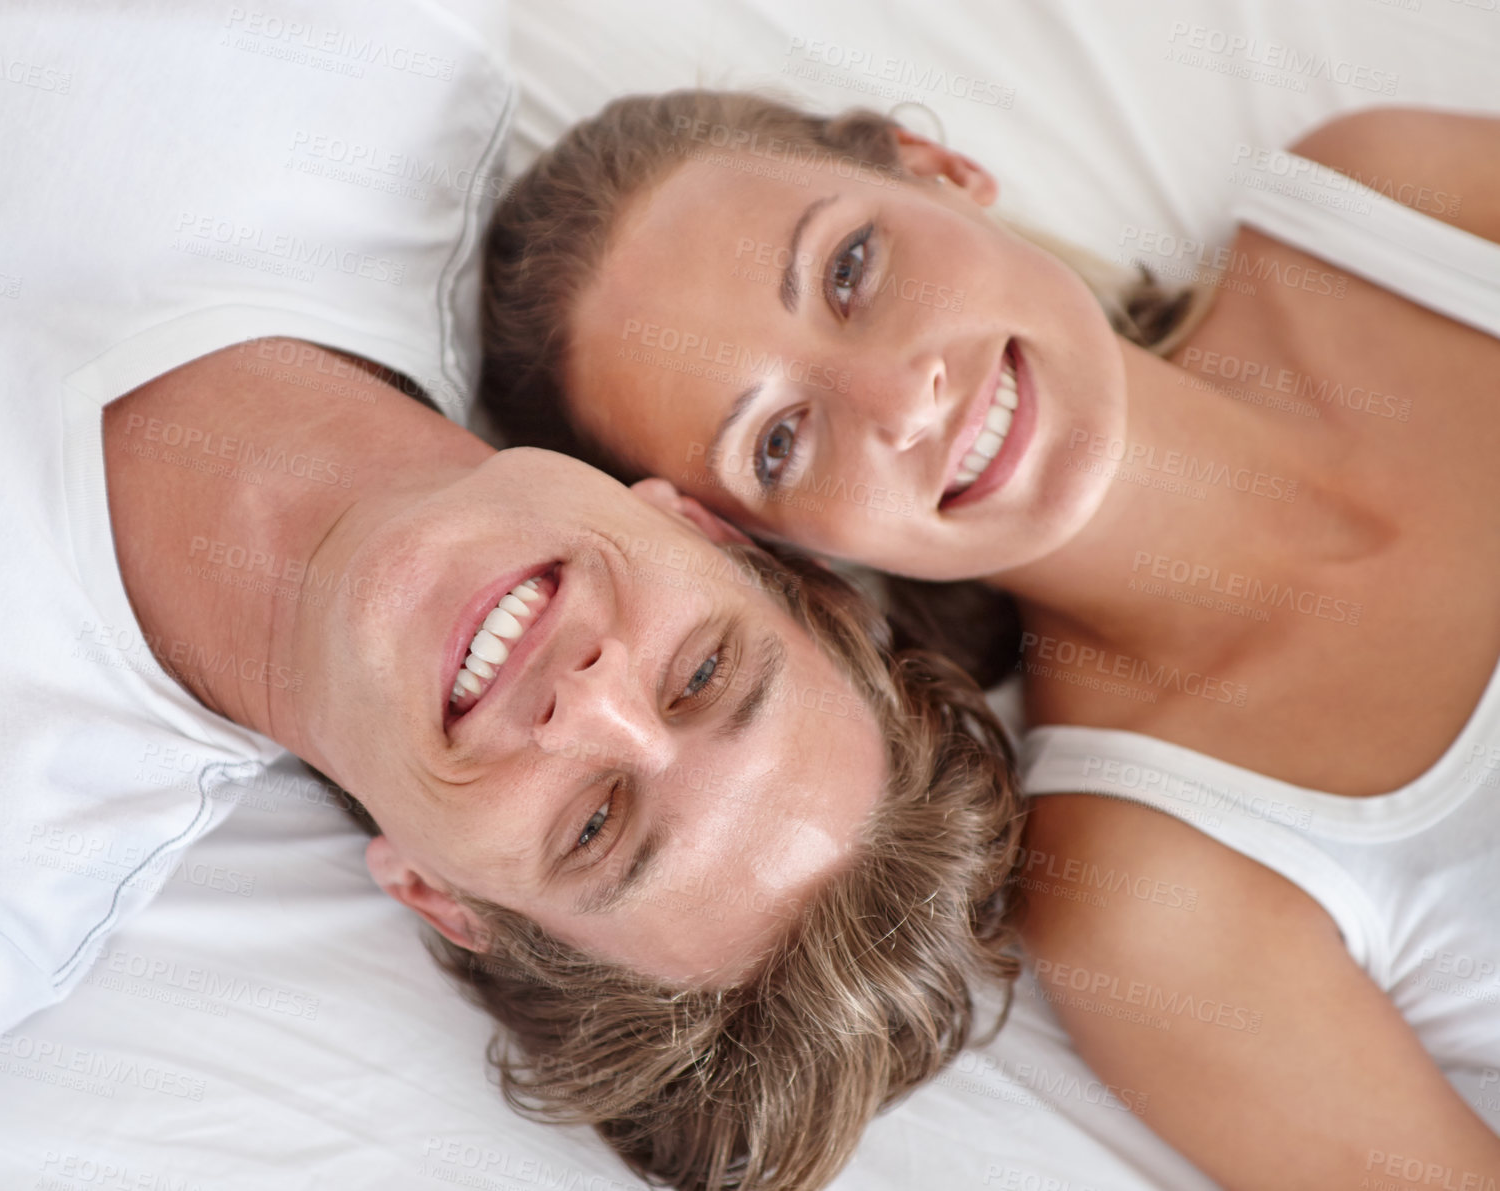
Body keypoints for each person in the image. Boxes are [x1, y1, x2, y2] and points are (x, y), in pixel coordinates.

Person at [0, 12, 1022, 1191]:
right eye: (703, 674)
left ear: (441, 898)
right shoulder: (367, 61)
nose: (593, 705)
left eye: (595, 825)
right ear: (693, 522)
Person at [478, 90, 1500, 1186]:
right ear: (774, 557)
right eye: (776, 443)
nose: (900, 403)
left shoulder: (1390, 209)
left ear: (935, 168)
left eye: (849, 271)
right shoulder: (1151, 901)